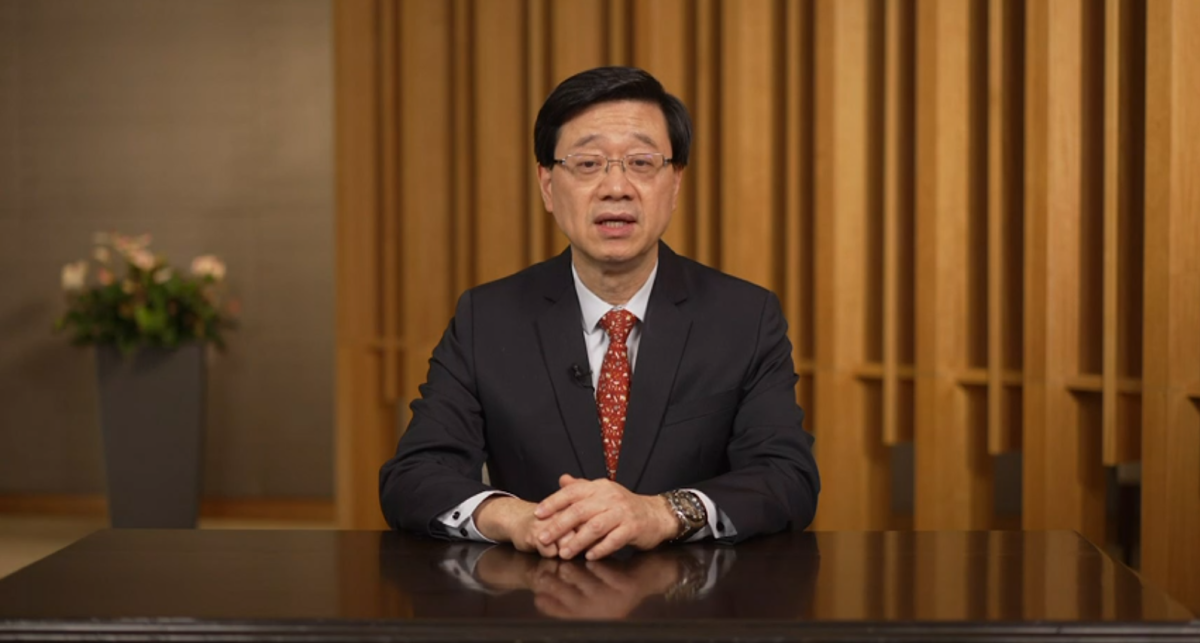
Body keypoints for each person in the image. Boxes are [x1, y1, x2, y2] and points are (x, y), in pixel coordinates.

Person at [379, 66, 819, 561]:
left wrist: (662, 513)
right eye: (588, 164)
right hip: (537, 595)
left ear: (675, 183)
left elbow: (788, 477)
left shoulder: (744, 317)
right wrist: (517, 518)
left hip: (693, 598)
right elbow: (413, 476)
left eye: (641, 162)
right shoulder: (487, 318)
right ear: (548, 185)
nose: (616, 187)